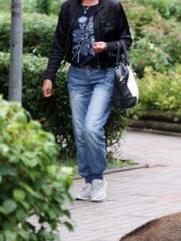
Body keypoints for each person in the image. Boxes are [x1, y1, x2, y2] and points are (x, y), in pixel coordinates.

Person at [43, 0, 132, 202]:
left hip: (104, 76)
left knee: (92, 128)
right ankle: (88, 182)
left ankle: (99, 180)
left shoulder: (112, 6)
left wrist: (106, 46)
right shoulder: (68, 7)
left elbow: (126, 40)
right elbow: (58, 44)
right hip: (77, 77)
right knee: (80, 132)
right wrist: (50, 76)